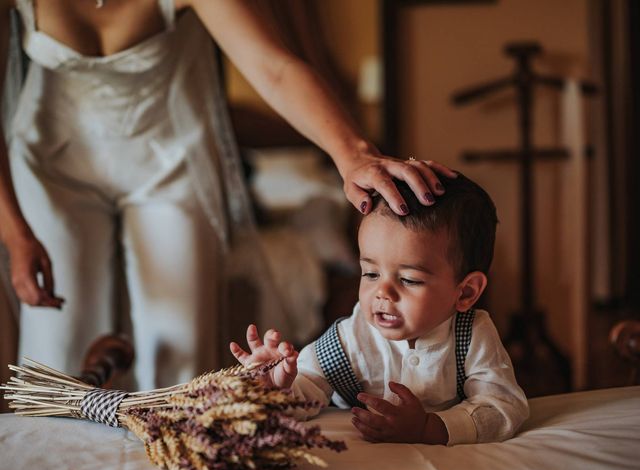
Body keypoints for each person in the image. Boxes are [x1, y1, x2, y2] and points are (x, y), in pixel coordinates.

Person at [0, 0, 455, 389]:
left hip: (169, 161)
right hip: (50, 166)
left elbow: (272, 67)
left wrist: (353, 153)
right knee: (53, 353)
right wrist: (16, 234)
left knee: (180, 355)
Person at [230, 174, 529, 445]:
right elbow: (310, 386)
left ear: (465, 292)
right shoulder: (353, 335)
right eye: (371, 274)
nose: (382, 292)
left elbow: (503, 406)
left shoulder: (471, 333)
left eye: (409, 279)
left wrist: (430, 427)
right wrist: (278, 388)